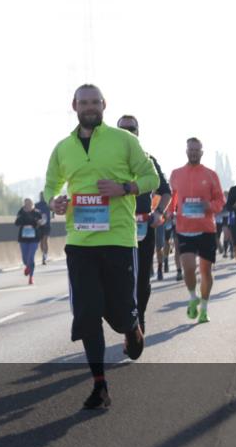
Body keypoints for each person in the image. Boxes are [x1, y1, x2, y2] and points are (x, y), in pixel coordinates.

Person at [44, 84, 158, 409]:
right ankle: (100, 385)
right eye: (84, 102)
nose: (89, 107)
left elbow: (150, 179)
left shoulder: (125, 141)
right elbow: (50, 186)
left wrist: (124, 187)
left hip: (119, 240)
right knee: (88, 313)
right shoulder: (63, 148)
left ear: (104, 105)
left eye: (95, 101)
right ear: (74, 105)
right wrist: (54, 201)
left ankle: (131, 327)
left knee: (120, 313)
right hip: (80, 243)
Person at [116, 115, 171, 333]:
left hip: (142, 227)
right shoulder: (109, 162)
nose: (128, 132)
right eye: (123, 129)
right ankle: (127, 319)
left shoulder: (148, 160)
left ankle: (138, 320)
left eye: (132, 128)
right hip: (116, 228)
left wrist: (158, 213)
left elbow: (166, 192)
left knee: (141, 280)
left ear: (138, 132)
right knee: (118, 279)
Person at [168, 138, 225, 323]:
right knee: (189, 269)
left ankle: (205, 309)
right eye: (191, 149)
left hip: (206, 229)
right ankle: (193, 297)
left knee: (206, 271)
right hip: (184, 229)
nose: (193, 153)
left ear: (202, 152)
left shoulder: (211, 175)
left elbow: (220, 201)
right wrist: (169, 213)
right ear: (186, 151)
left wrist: (209, 205)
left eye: (197, 150)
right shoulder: (176, 174)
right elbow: (173, 198)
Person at [14, 198, 42, 285]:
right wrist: (22, 219)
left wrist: (38, 223)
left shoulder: (37, 213)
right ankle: (27, 267)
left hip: (34, 238)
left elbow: (41, 223)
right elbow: (16, 223)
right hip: (23, 238)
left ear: (32, 204)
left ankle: (31, 277)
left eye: (29, 204)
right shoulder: (21, 212)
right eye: (26, 204)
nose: (28, 205)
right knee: (25, 259)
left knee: (31, 257)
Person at [35, 192, 53, 265]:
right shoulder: (36, 205)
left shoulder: (48, 205)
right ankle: (44, 255)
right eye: (41, 195)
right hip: (40, 226)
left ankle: (44, 257)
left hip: (47, 226)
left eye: (43, 196)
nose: (42, 197)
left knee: (44, 240)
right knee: (42, 242)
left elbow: (53, 213)